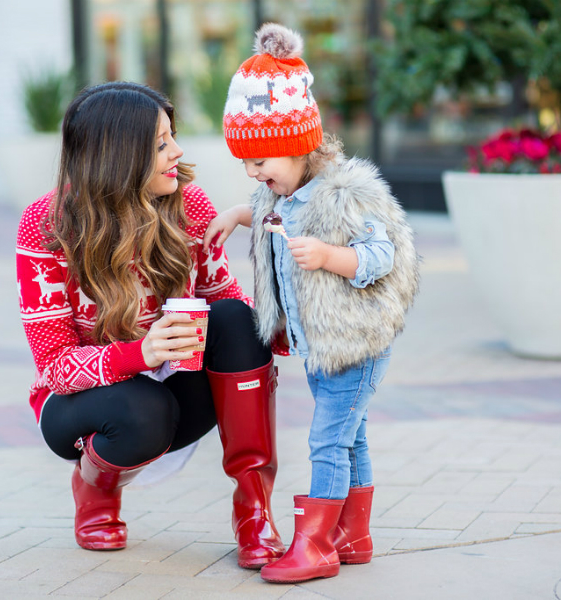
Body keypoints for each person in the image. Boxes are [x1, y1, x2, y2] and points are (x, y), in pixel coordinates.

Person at [15, 81, 285, 569]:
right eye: (161, 143)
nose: (177, 153)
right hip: (83, 407)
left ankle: (255, 511)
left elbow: (224, 303)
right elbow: (55, 367)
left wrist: (279, 324)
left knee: (238, 320)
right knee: (143, 407)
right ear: (120, 153)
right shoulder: (47, 225)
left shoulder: (188, 205)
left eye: (172, 136)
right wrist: (142, 353)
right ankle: (95, 490)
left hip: (174, 387)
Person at [205, 24, 422, 583]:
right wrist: (236, 213)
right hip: (322, 347)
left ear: (299, 141)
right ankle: (354, 534)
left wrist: (329, 256)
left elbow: (381, 255)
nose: (255, 174)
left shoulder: (344, 194)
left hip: (354, 342)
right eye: (246, 165)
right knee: (352, 436)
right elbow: (278, 217)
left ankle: (317, 543)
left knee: (328, 438)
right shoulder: (282, 193)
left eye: (261, 161)